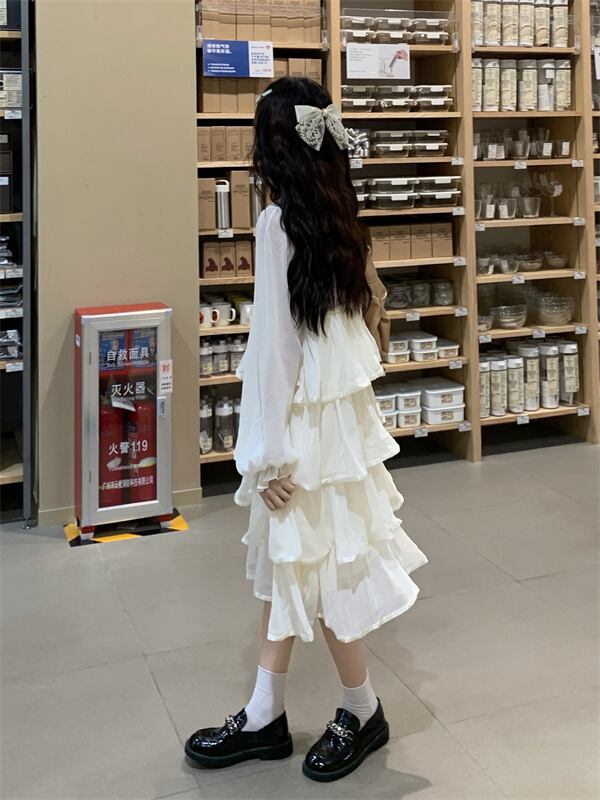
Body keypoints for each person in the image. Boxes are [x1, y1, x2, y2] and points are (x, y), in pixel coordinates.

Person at [185, 77, 428, 783]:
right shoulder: (338, 212)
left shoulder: (276, 224)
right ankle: (268, 709)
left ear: (274, 150)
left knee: (319, 562)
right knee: (299, 558)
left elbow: (273, 348)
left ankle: (361, 706)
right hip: (337, 415)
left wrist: (263, 454)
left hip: (301, 418)